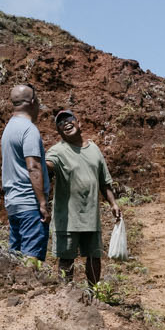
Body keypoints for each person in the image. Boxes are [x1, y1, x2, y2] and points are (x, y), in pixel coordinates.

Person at [44, 109, 120, 286]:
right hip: (68, 218)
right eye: (60, 123)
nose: (66, 124)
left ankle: (93, 294)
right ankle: (66, 296)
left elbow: (104, 182)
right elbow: (46, 165)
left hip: (91, 217)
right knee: (66, 259)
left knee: (94, 257)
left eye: (69, 119)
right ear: (59, 132)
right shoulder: (57, 151)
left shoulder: (94, 149)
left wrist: (113, 204)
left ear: (79, 123)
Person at [0, 84, 50, 258]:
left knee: (15, 259)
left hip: (13, 204)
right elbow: (33, 167)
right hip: (29, 204)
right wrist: (42, 202)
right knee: (31, 260)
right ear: (33, 102)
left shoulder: (9, 128)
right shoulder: (29, 130)